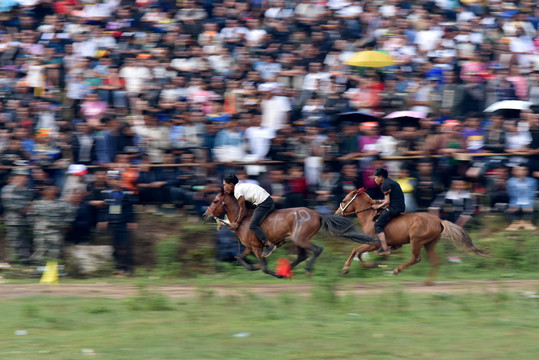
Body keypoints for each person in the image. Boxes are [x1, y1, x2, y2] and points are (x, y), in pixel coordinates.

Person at [223, 173, 276, 258]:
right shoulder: (241, 186)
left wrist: (237, 222)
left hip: (265, 204)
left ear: (231, 185)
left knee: (252, 225)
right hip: (266, 200)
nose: (224, 187)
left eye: (225, 185)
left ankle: (269, 245)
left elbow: (242, 209)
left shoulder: (237, 191)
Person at [1, 168, 33, 263]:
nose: (25, 179)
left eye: (26, 177)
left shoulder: (26, 190)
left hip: (25, 220)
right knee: (14, 241)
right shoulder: (8, 189)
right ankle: (13, 261)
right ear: (16, 177)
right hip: (13, 220)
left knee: (24, 241)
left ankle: (24, 261)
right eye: (22, 176)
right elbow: (8, 203)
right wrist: (22, 209)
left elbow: (29, 202)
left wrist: (29, 208)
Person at [372, 167, 406, 255]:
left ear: (381, 178)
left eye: (376, 178)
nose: (375, 180)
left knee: (378, 224)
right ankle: (396, 242)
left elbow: (387, 201)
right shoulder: (391, 182)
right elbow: (389, 199)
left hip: (394, 208)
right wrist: (378, 201)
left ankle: (384, 248)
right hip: (399, 206)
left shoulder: (385, 185)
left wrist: (377, 206)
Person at [504, 165, 538, 231]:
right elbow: (511, 195)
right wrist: (515, 206)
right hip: (515, 204)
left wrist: (528, 205)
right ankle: (515, 222)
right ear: (513, 172)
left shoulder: (533, 181)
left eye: (524, 170)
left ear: (527, 171)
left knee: (534, 205)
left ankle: (526, 222)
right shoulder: (510, 182)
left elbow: (533, 195)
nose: (522, 172)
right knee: (503, 207)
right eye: (519, 170)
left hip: (529, 204)